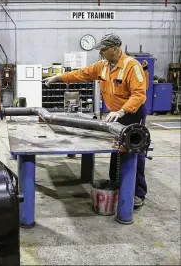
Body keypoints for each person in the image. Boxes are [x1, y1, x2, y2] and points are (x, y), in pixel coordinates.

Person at [44, 33, 147, 208]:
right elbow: (81, 74)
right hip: (116, 114)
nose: (101, 52)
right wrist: (58, 78)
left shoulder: (132, 66)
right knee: (117, 148)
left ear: (115, 49)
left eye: (103, 49)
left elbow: (139, 94)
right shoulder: (103, 66)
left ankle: (138, 193)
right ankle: (116, 182)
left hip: (131, 114)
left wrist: (122, 111)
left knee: (133, 152)